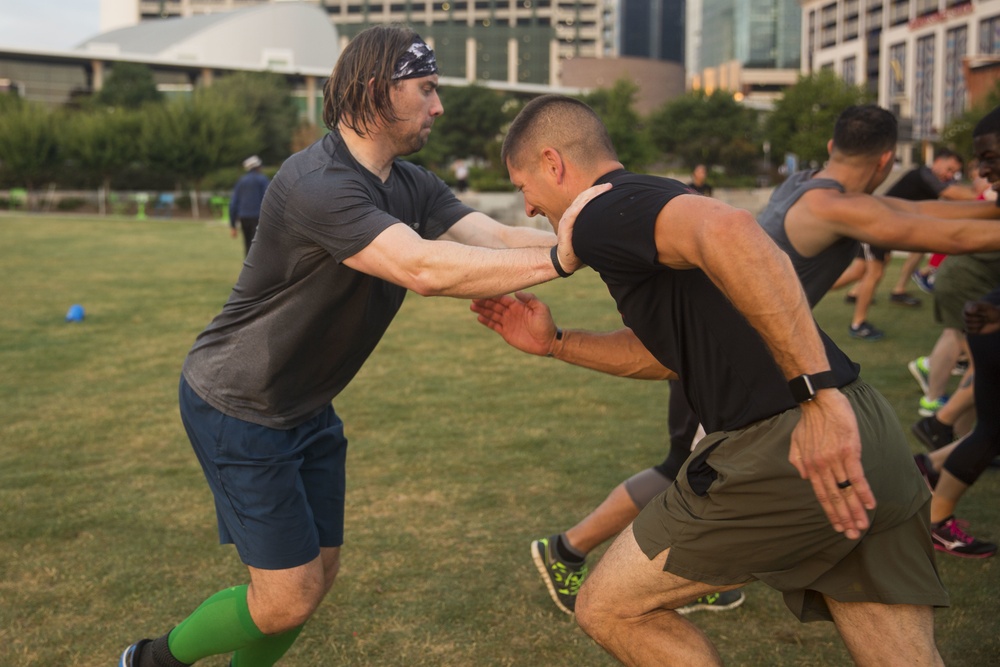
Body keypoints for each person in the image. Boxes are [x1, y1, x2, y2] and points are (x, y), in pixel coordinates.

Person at [118, 27, 606, 667]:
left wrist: (594, 228)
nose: (438, 106)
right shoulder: (318, 182)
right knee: (286, 598)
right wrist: (561, 258)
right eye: (427, 89)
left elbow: (485, 235)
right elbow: (424, 269)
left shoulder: (410, 183)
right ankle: (149, 661)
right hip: (240, 404)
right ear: (379, 92)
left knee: (316, 578)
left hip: (307, 406)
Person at [491, 94, 948, 665]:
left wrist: (816, 395)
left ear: (553, 163)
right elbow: (669, 354)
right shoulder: (653, 195)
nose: (530, 207)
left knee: (607, 607)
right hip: (866, 432)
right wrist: (557, 344)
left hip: (793, 443)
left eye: (523, 186)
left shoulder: (597, 213)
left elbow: (733, 231)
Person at [471, 291, 744, 616]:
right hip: (707, 353)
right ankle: (569, 548)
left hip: (719, 349)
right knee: (691, 469)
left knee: (701, 471)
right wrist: (556, 342)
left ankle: (700, 573)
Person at [228, 155, 270, 256]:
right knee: (259, 246)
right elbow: (268, 199)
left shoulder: (241, 181)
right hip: (258, 217)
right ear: (258, 167)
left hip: (243, 217)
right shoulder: (263, 180)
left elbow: (233, 203)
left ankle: (248, 268)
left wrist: (233, 224)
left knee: (248, 245)